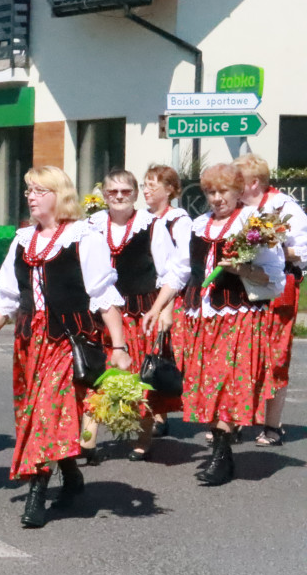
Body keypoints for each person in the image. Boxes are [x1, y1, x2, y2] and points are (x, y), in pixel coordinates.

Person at [0, 166, 131, 528]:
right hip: (31, 343)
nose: (30, 196)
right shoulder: (22, 239)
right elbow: (8, 296)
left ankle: (37, 489)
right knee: (36, 414)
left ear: (58, 196)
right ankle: (71, 473)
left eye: (39, 190)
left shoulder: (83, 236)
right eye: (29, 189)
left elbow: (104, 296)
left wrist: (120, 346)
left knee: (47, 411)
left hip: (68, 341)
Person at [144, 163, 284, 485]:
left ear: (238, 191)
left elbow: (273, 277)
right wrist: (158, 306)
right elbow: (180, 271)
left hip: (237, 316)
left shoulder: (254, 223)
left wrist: (241, 269)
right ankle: (222, 451)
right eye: (210, 192)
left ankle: (221, 455)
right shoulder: (197, 225)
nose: (217, 198)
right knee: (205, 385)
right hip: (197, 318)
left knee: (225, 382)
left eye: (223, 191)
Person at [86, 169, 185, 461]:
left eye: (125, 191)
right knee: (96, 375)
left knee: (142, 377)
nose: (118, 197)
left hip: (139, 312)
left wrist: (162, 309)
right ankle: (87, 441)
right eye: (112, 192)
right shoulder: (91, 226)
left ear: (135, 195)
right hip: (99, 314)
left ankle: (143, 439)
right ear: (103, 194)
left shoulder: (151, 226)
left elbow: (171, 273)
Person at [233, 154, 307, 447]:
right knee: (240, 354)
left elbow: (302, 250)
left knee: (275, 356)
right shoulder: (236, 208)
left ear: (253, 183)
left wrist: (267, 248)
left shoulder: (284, 206)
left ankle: (273, 425)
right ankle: (236, 420)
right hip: (240, 287)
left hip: (277, 289)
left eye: (237, 181)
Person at [141, 165, 192, 438]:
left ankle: (161, 414)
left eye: (153, 184)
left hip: (169, 296)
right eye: (144, 184)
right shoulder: (143, 219)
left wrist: (165, 307)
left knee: (163, 354)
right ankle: (154, 413)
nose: (146, 190)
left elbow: (179, 268)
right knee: (150, 353)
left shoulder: (178, 220)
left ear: (170, 189)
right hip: (145, 295)